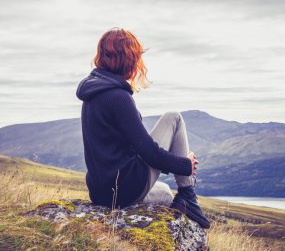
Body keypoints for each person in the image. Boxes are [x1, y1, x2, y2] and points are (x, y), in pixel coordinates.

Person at [76, 27, 210, 229]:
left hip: (101, 193)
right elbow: (149, 152)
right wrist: (185, 165)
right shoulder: (118, 97)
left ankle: (183, 200)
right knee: (173, 117)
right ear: (128, 58)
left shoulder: (92, 94)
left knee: (164, 192)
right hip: (125, 187)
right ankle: (188, 195)